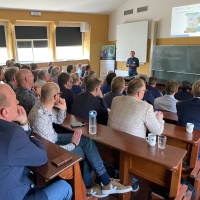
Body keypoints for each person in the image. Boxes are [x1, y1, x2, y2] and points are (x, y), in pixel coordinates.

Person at [28, 82, 132, 198]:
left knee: (87, 140)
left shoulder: (41, 106)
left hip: (53, 139)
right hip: (51, 152)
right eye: (59, 94)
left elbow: (58, 121)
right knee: (88, 150)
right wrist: (73, 144)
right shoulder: (40, 116)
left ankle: (96, 184)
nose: (61, 96)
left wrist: (63, 108)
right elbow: (51, 150)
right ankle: (101, 183)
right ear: (55, 97)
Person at [0, 84, 72, 200]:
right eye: (15, 101)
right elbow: (41, 157)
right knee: (65, 187)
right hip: (17, 195)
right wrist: (26, 127)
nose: (18, 102)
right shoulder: (12, 134)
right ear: (5, 112)